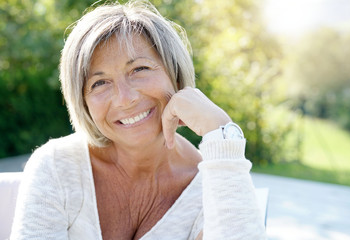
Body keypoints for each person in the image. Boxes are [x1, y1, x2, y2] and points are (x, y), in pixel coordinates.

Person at [10, 0, 266, 239]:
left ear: (175, 76)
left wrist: (220, 132)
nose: (125, 98)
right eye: (100, 83)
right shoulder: (57, 166)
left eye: (139, 69)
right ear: (83, 102)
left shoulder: (209, 187)